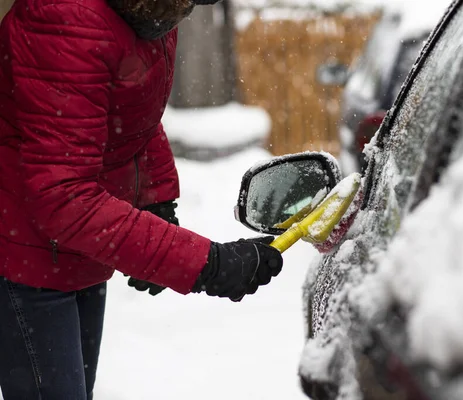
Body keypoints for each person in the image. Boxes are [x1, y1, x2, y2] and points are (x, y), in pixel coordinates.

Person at [0, 0, 284, 397]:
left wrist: (156, 200)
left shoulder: (153, 10)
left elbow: (132, 119)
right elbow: (62, 197)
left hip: (80, 251)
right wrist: (206, 264)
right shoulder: (65, 18)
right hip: (27, 259)